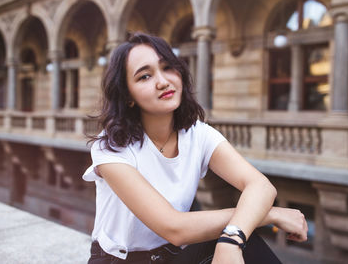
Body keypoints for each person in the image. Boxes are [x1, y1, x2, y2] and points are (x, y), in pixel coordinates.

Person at [83, 32, 308, 264]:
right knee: (241, 227)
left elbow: (261, 185)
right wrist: (269, 215)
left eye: (168, 67)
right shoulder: (111, 147)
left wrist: (232, 240)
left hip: (172, 257)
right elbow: (174, 228)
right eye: (145, 76)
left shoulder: (197, 133)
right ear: (128, 96)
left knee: (242, 237)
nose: (163, 81)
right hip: (119, 261)